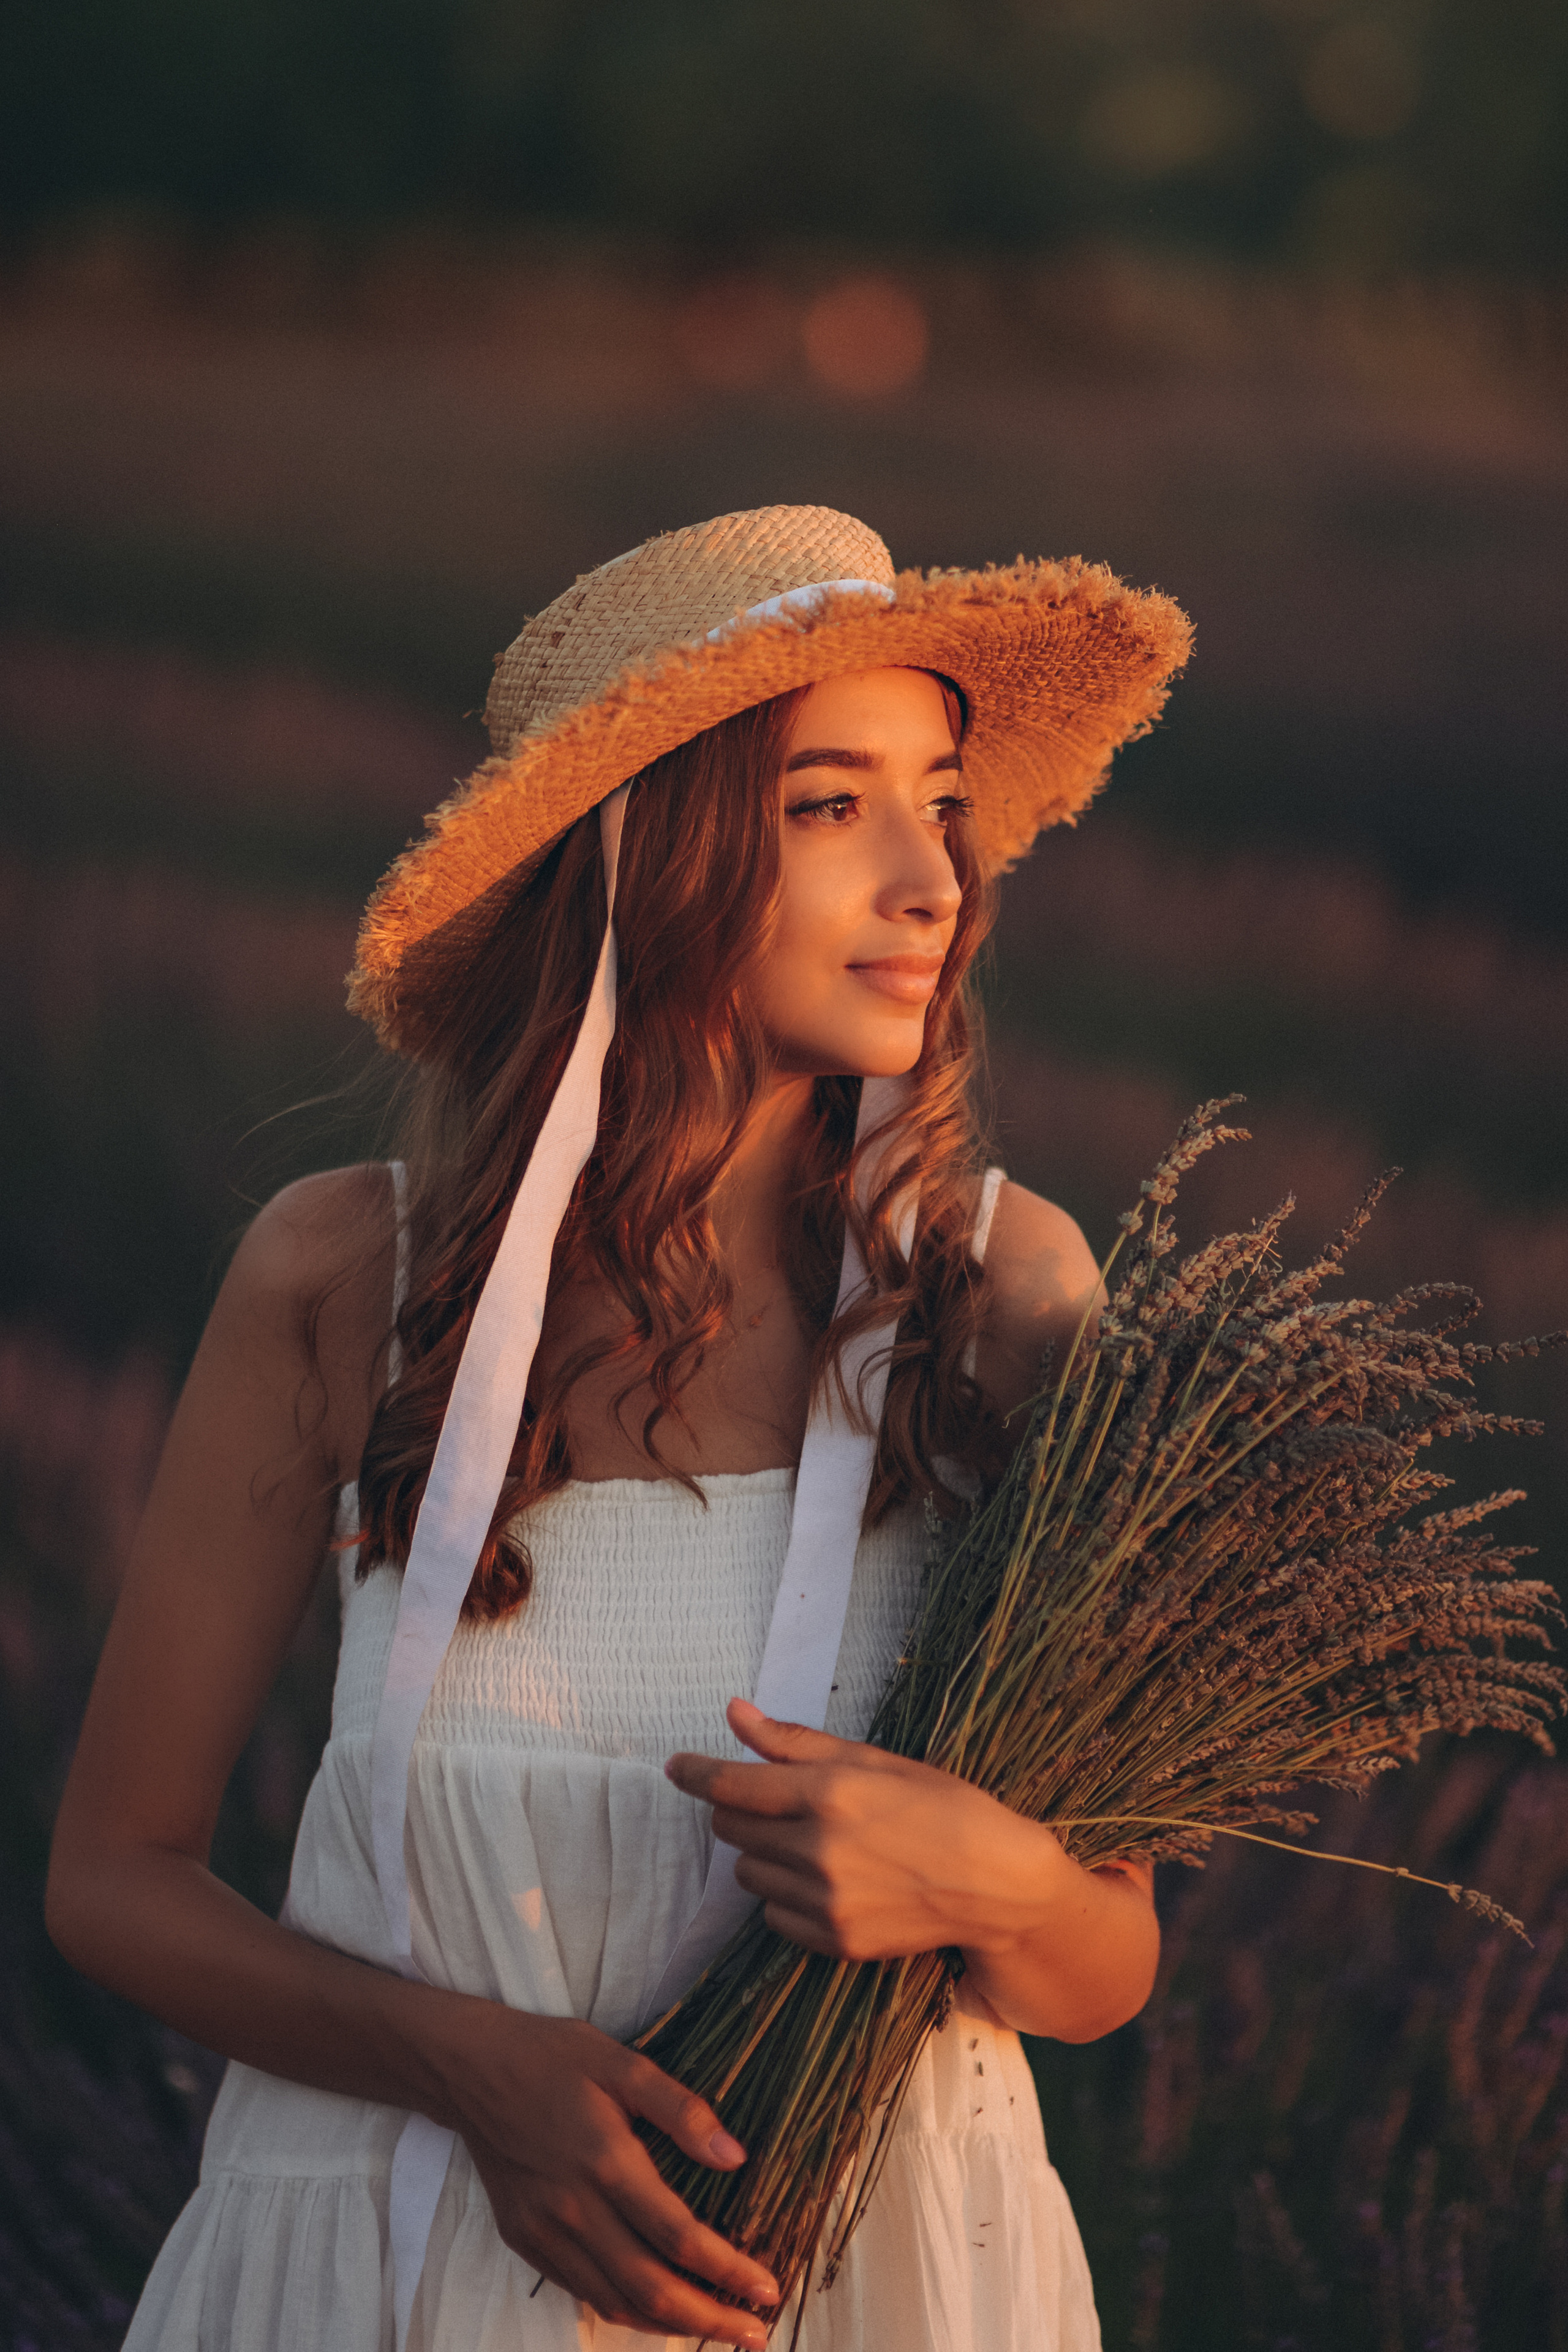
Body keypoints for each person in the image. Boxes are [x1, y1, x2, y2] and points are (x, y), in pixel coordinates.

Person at [47, 504, 1191, 2351]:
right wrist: (470, 2069)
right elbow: (114, 1875)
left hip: (876, 2280)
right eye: (830, 806)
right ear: (649, 852)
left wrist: (989, 1878)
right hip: (388, 2271)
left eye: (944, 801)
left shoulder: (1002, 1302)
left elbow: (1105, 1963)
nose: (932, 879)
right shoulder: (352, 1280)